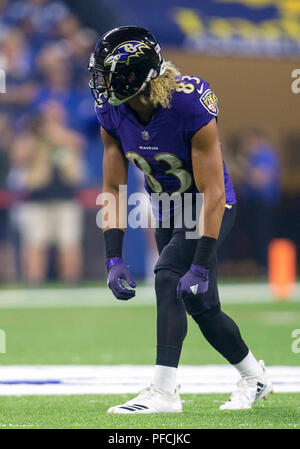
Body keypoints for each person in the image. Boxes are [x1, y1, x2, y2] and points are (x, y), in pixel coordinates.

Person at [89, 26, 273, 413]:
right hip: (168, 209)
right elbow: (113, 187)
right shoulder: (111, 110)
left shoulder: (188, 103)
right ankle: (254, 377)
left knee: (169, 275)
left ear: (133, 75)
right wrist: (113, 256)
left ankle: (164, 392)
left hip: (209, 207)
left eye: (107, 74)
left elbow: (214, 192)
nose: (100, 83)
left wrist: (202, 262)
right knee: (202, 307)